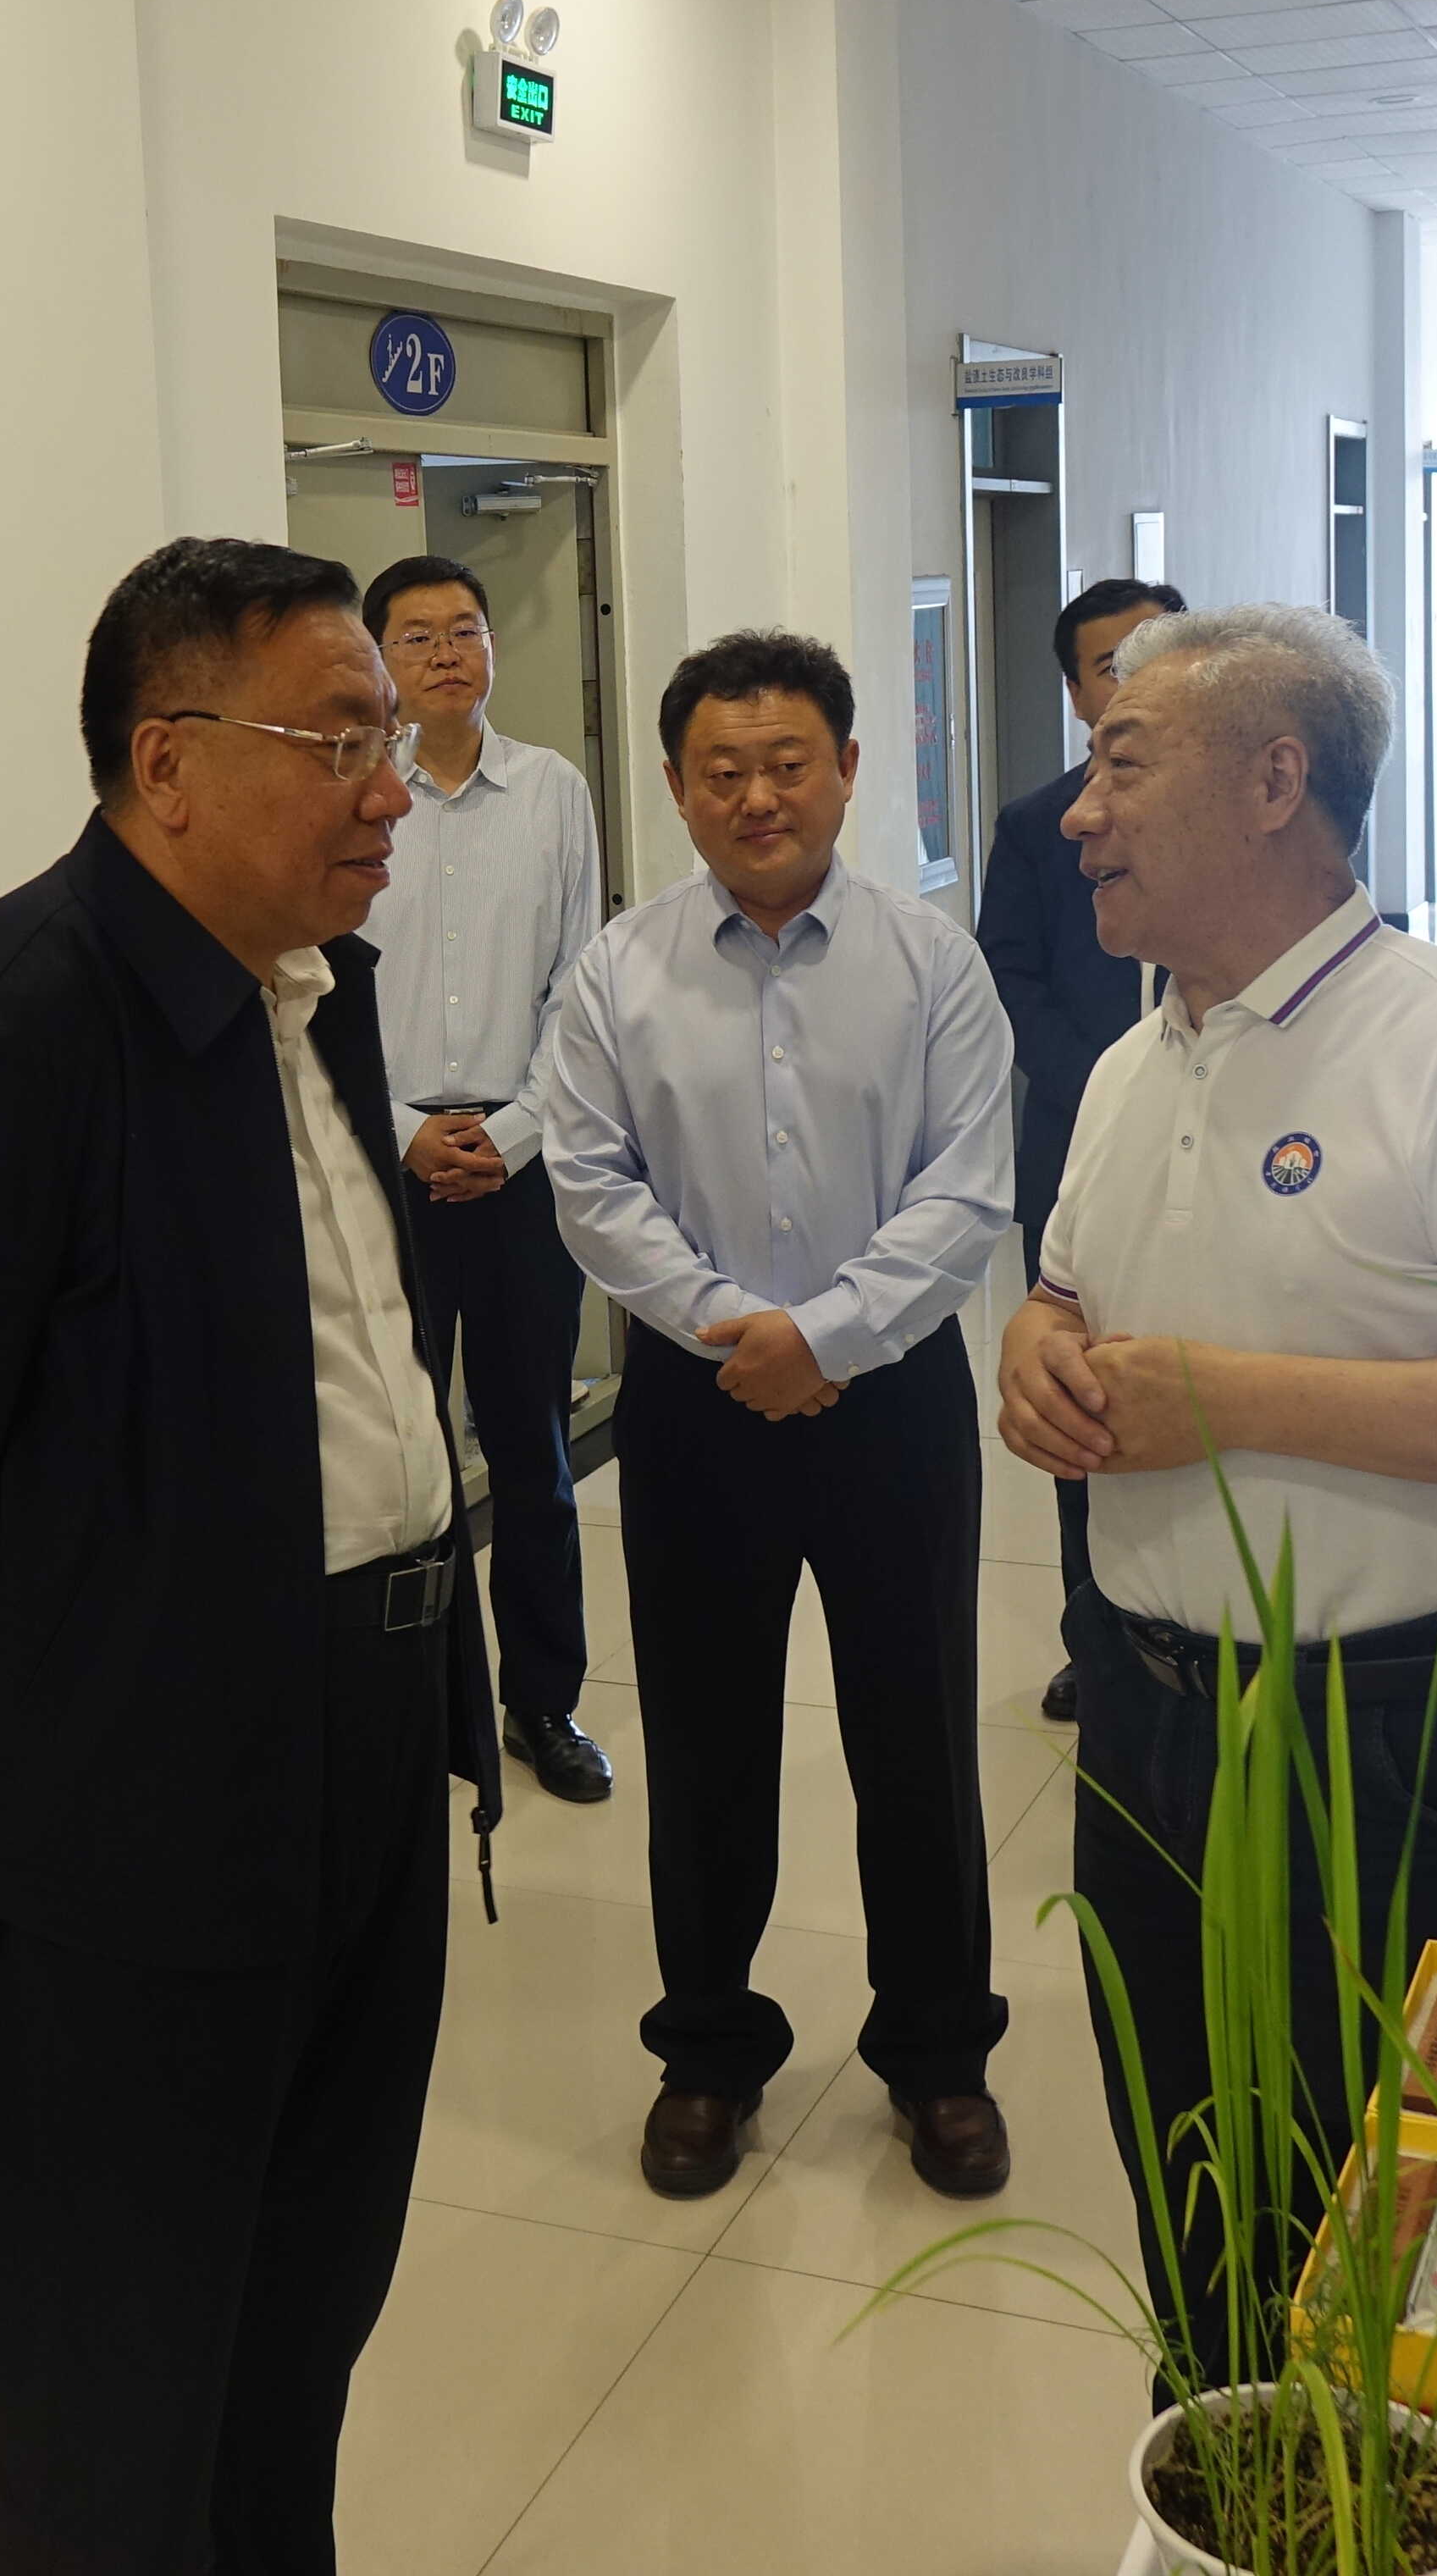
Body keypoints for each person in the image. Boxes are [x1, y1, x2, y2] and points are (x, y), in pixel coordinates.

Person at [0, 537, 500, 2575]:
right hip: (136, 1805)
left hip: (369, 1734)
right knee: (119, 2373)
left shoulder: (319, 997)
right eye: (341, 740)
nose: (391, 787)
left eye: (392, 736)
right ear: (168, 761)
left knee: (301, 2308)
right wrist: (32, 1773)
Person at [995, 604, 1437, 2393]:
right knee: (1186, 2174)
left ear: (1277, 781)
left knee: (1377, 2226)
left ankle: (1365, 2488)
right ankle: (1215, 2455)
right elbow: (1064, 1291)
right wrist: (1037, 1350)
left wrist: (1228, 1405)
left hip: (1385, 1728)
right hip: (1144, 1714)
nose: (1078, 813)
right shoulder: (1133, 1064)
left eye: (1123, 764)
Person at [540, 629, 1016, 2206]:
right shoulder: (619, 972)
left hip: (893, 1401)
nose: (759, 797)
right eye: (723, 770)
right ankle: (707, 2052)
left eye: (788, 764)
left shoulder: (933, 961)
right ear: (677, 788)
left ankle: (938, 2055)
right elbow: (591, 1183)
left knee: (916, 1732)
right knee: (704, 1738)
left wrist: (827, 1333)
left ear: (849, 772)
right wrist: (732, 1330)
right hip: (698, 1404)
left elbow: (969, 1189)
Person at [357, 553, 614, 1808]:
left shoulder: (553, 791)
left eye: (465, 629)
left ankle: (542, 1701)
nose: (448, 653)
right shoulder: (355, 791)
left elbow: (580, 981)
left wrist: (512, 1134)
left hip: (522, 1167)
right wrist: (406, 1130)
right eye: (417, 636)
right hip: (388, 1168)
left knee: (532, 1447)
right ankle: (414, 1703)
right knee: (397, 1454)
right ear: (380, 664)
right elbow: (318, 981)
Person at [976, 576, 1184, 1729]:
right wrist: (1108, 1091)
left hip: (1230, 1141)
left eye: (1161, 648)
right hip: (1077, 1143)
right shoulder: (1040, 826)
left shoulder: (1234, 821)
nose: (1137, 675)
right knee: (1076, 1397)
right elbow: (1009, 976)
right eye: (1111, 664)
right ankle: (1091, 1636)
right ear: (1074, 694)